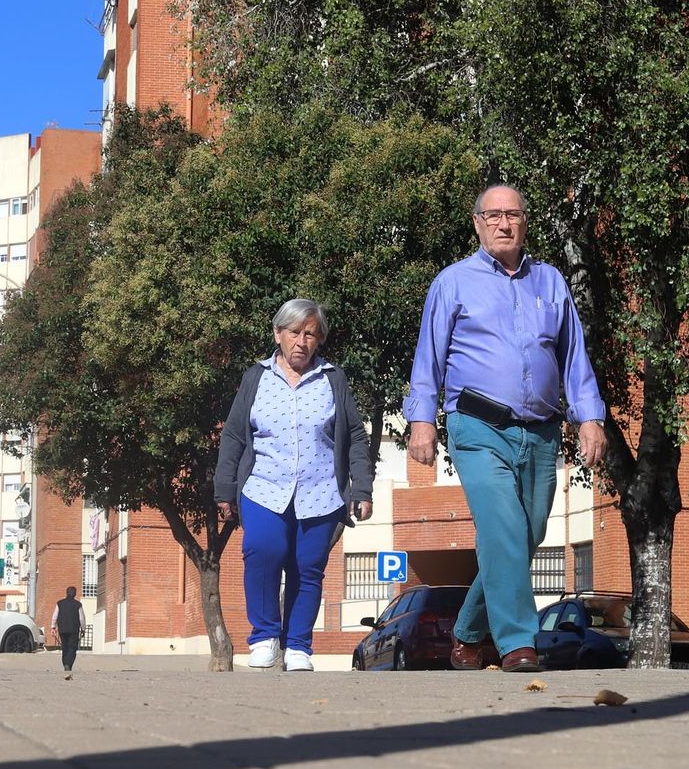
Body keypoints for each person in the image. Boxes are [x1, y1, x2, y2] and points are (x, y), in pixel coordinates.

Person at [406, 184, 607, 674]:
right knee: (502, 529)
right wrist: (421, 421)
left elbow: (573, 355)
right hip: (476, 426)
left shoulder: (551, 282)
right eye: (492, 215)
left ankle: (468, 633)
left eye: (512, 214)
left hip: (540, 431)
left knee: (526, 534)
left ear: (524, 222)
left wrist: (590, 416)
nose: (503, 223)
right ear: (477, 223)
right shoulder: (452, 283)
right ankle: (518, 642)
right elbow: (428, 358)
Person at [215, 299, 374, 672]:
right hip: (263, 487)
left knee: (307, 567)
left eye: (310, 334)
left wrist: (361, 488)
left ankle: (299, 644)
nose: (302, 341)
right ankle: (265, 636)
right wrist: (224, 490)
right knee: (262, 550)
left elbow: (355, 436)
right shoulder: (256, 377)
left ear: (318, 340)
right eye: (294, 333)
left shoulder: (333, 379)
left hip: (320, 492)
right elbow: (235, 436)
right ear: (278, 334)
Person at [52, 586, 86, 672]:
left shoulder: (59, 603)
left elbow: (55, 616)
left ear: (66, 593)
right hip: (74, 629)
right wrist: (83, 628)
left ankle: (65, 664)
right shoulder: (78, 604)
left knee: (64, 647)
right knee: (72, 647)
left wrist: (53, 627)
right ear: (75, 594)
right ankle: (68, 664)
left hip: (62, 629)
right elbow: (82, 618)